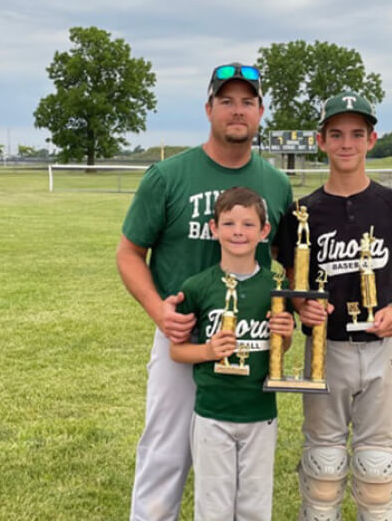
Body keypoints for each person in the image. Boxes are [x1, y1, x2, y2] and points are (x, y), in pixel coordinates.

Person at [116, 62, 292, 521]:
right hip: (183, 335)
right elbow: (129, 252)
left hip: (248, 341)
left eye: (248, 102)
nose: (238, 111)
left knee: (246, 468)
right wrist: (160, 313)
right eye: (227, 101)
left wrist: (288, 314)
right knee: (166, 452)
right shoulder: (169, 176)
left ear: (260, 112)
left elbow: (287, 260)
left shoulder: (275, 183)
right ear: (208, 108)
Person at [276, 91, 392, 521]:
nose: (347, 143)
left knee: (377, 466)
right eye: (337, 134)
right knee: (324, 466)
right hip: (327, 352)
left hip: (381, 351)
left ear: (372, 139)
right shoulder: (302, 213)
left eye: (357, 134)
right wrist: (301, 304)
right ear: (321, 140)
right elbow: (293, 283)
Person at [170, 187, 294, 521]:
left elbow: (281, 348)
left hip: (260, 410)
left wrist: (286, 333)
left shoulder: (275, 286)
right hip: (212, 412)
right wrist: (208, 350)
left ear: (264, 232)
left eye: (248, 224)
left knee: (255, 503)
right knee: (213, 505)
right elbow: (177, 351)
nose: (238, 231)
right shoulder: (198, 286)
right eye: (228, 223)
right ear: (213, 228)